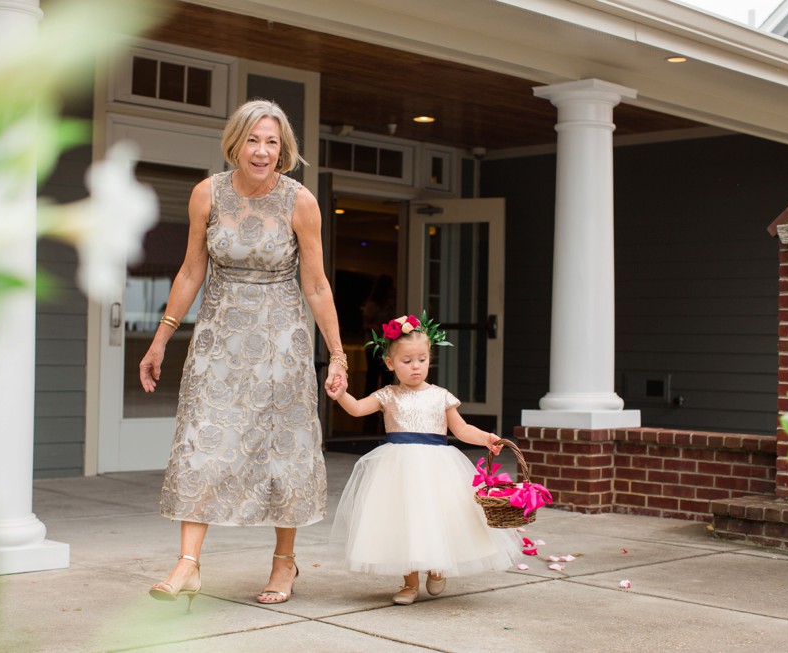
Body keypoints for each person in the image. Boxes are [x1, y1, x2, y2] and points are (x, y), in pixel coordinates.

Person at [139, 98, 349, 607]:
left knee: (284, 449)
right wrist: (161, 337)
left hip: (281, 341)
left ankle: (283, 563)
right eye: (253, 140)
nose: (262, 151)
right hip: (217, 339)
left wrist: (338, 354)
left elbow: (317, 284)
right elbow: (192, 271)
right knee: (202, 440)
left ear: (284, 149)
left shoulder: (299, 201)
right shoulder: (206, 194)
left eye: (272, 142)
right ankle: (188, 564)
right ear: (235, 142)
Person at [326, 314, 522, 605]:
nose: (416, 366)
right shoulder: (387, 395)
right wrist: (341, 394)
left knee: (437, 517)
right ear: (391, 363)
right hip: (397, 467)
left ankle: (438, 567)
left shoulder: (441, 396)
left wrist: (485, 438)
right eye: (407, 361)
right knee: (402, 521)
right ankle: (409, 582)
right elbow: (355, 409)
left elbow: (462, 429)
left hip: (436, 467)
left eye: (422, 359)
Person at [359, 274, 396, 433]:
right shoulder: (373, 304)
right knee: (373, 378)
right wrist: (381, 328)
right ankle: (370, 414)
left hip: (387, 347)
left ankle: (386, 412)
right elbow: (365, 324)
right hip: (374, 346)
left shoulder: (391, 304)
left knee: (388, 378)